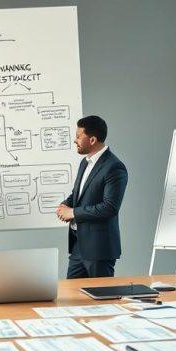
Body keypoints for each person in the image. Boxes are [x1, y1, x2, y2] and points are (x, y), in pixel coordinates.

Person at [57, 115, 128, 278]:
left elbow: (109, 207)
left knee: (102, 298)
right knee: (71, 297)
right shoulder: (85, 162)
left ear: (92, 139)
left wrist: (73, 212)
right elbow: (77, 194)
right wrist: (64, 206)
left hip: (99, 249)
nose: (75, 140)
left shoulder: (114, 167)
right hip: (78, 246)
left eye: (78, 136)